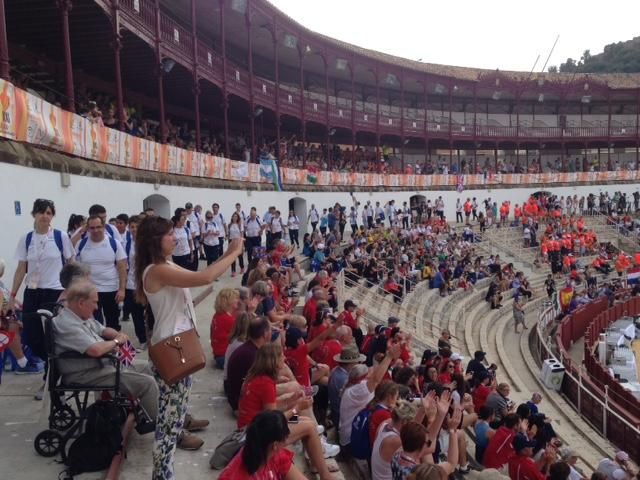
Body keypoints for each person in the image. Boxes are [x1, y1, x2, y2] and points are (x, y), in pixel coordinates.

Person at [134, 215, 243, 478]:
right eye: (169, 234)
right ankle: (162, 475)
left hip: (176, 346)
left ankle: (164, 472)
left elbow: (199, 276)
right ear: (155, 240)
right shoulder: (157, 270)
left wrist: (227, 254)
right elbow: (205, 277)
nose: (175, 238)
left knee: (172, 419)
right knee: (169, 423)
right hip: (172, 350)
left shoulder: (163, 265)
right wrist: (233, 252)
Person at [53, 281, 158, 422]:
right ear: (81, 303)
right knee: (147, 383)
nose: (97, 307)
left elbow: (102, 329)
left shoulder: (79, 316)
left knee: (147, 367)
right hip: (85, 373)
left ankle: (151, 412)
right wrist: (115, 342)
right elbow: (95, 350)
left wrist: (117, 336)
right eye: (94, 302)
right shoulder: (68, 325)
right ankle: (162, 428)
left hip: (99, 366)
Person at [236, 343, 339, 479]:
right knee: (308, 427)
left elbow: (270, 411)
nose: (284, 358)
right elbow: (273, 424)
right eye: (281, 356)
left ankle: (317, 461)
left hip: (252, 428)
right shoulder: (265, 383)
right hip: (255, 436)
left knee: (304, 419)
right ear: (273, 361)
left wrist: (293, 400)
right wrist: (297, 407)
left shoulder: (256, 377)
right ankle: (324, 473)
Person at [9, 199, 75, 380]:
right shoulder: (27, 238)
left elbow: (71, 265)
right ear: (34, 214)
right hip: (33, 291)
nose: (45, 216)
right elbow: (21, 268)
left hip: (54, 291)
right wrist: (12, 296)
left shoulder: (60, 237)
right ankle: (51, 365)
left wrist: (68, 291)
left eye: (48, 212)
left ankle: (51, 376)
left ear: (52, 215)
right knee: (31, 335)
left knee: (53, 335)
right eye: (41, 212)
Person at [219, 410, 307, 480]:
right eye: (284, 439)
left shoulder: (266, 451)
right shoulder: (235, 475)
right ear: (275, 445)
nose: (285, 444)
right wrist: (296, 409)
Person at [76, 214, 128, 331]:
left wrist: (122, 289)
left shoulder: (114, 243)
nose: (95, 230)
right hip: (90, 292)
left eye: (98, 227)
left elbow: (122, 267)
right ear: (88, 229)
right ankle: (101, 347)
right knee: (94, 324)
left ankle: (115, 347)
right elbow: (77, 268)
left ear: (104, 227)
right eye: (92, 228)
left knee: (113, 323)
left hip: (111, 290)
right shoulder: (81, 244)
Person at [123, 215, 146, 347]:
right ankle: (142, 339)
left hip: (147, 283)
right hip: (132, 284)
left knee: (150, 313)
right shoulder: (125, 244)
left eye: (137, 226)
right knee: (136, 313)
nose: (135, 229)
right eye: (132, 227)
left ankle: (152, 336)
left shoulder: (148, 243)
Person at [210, 288, 240, 369]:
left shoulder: (217, 315)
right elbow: (246, 333)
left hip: (218, 356)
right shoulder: (228, 319)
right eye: (236, 298)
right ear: (228, 301)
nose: (238, 300)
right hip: (224, 358)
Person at [228, 212, 245, 276]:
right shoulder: (229, 225)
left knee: (240, 256)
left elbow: (242, 234)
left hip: (238, 241)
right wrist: (228, 245)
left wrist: (242, 244)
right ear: (232, 217)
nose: (235, 218)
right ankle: (233, 271)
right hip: (232, 241)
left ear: (238, 218)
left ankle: (242, 267)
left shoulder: (240, 225)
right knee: (232, 257)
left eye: (236, 216)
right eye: (233, 216)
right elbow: (229, 234)